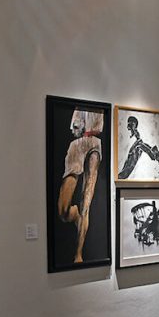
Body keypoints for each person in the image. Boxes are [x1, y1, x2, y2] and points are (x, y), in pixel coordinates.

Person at [58, 108, 104, 263]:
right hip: (77, 144)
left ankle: (78, 254)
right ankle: (74, 215)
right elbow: (75, 129)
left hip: (94, 144)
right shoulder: (79, 109)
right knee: (63, 212)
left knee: (86, 204)